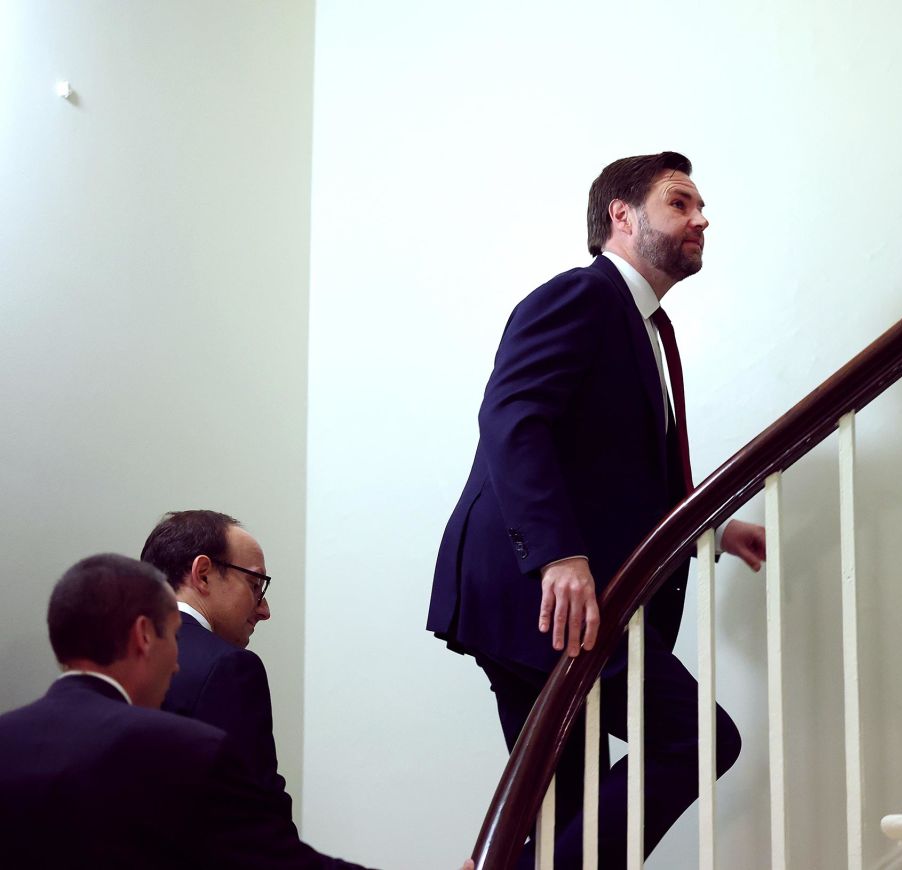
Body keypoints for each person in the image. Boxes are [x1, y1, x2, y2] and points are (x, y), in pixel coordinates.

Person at [428, 151, 768, 868]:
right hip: (539, 591)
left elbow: (618, 470)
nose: (701, 218)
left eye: (701, 207)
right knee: (699, 739)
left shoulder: (651, 328)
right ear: (621, 215)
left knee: (568, 818)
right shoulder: (580, 297)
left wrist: (713, 524)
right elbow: (513, 419)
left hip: (546, 598)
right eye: (680, 202)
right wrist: (558, 553)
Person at [0, 553, 369, 869]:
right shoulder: (183, 748)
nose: (176, 664)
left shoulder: (8, 739)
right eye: (173, 636)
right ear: (145, 636)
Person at [140, 509, 290, 814]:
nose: (265, 610)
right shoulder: (229, 668)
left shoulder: (106, 656)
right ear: (203, 573)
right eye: (255, 585)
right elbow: (254, 817)